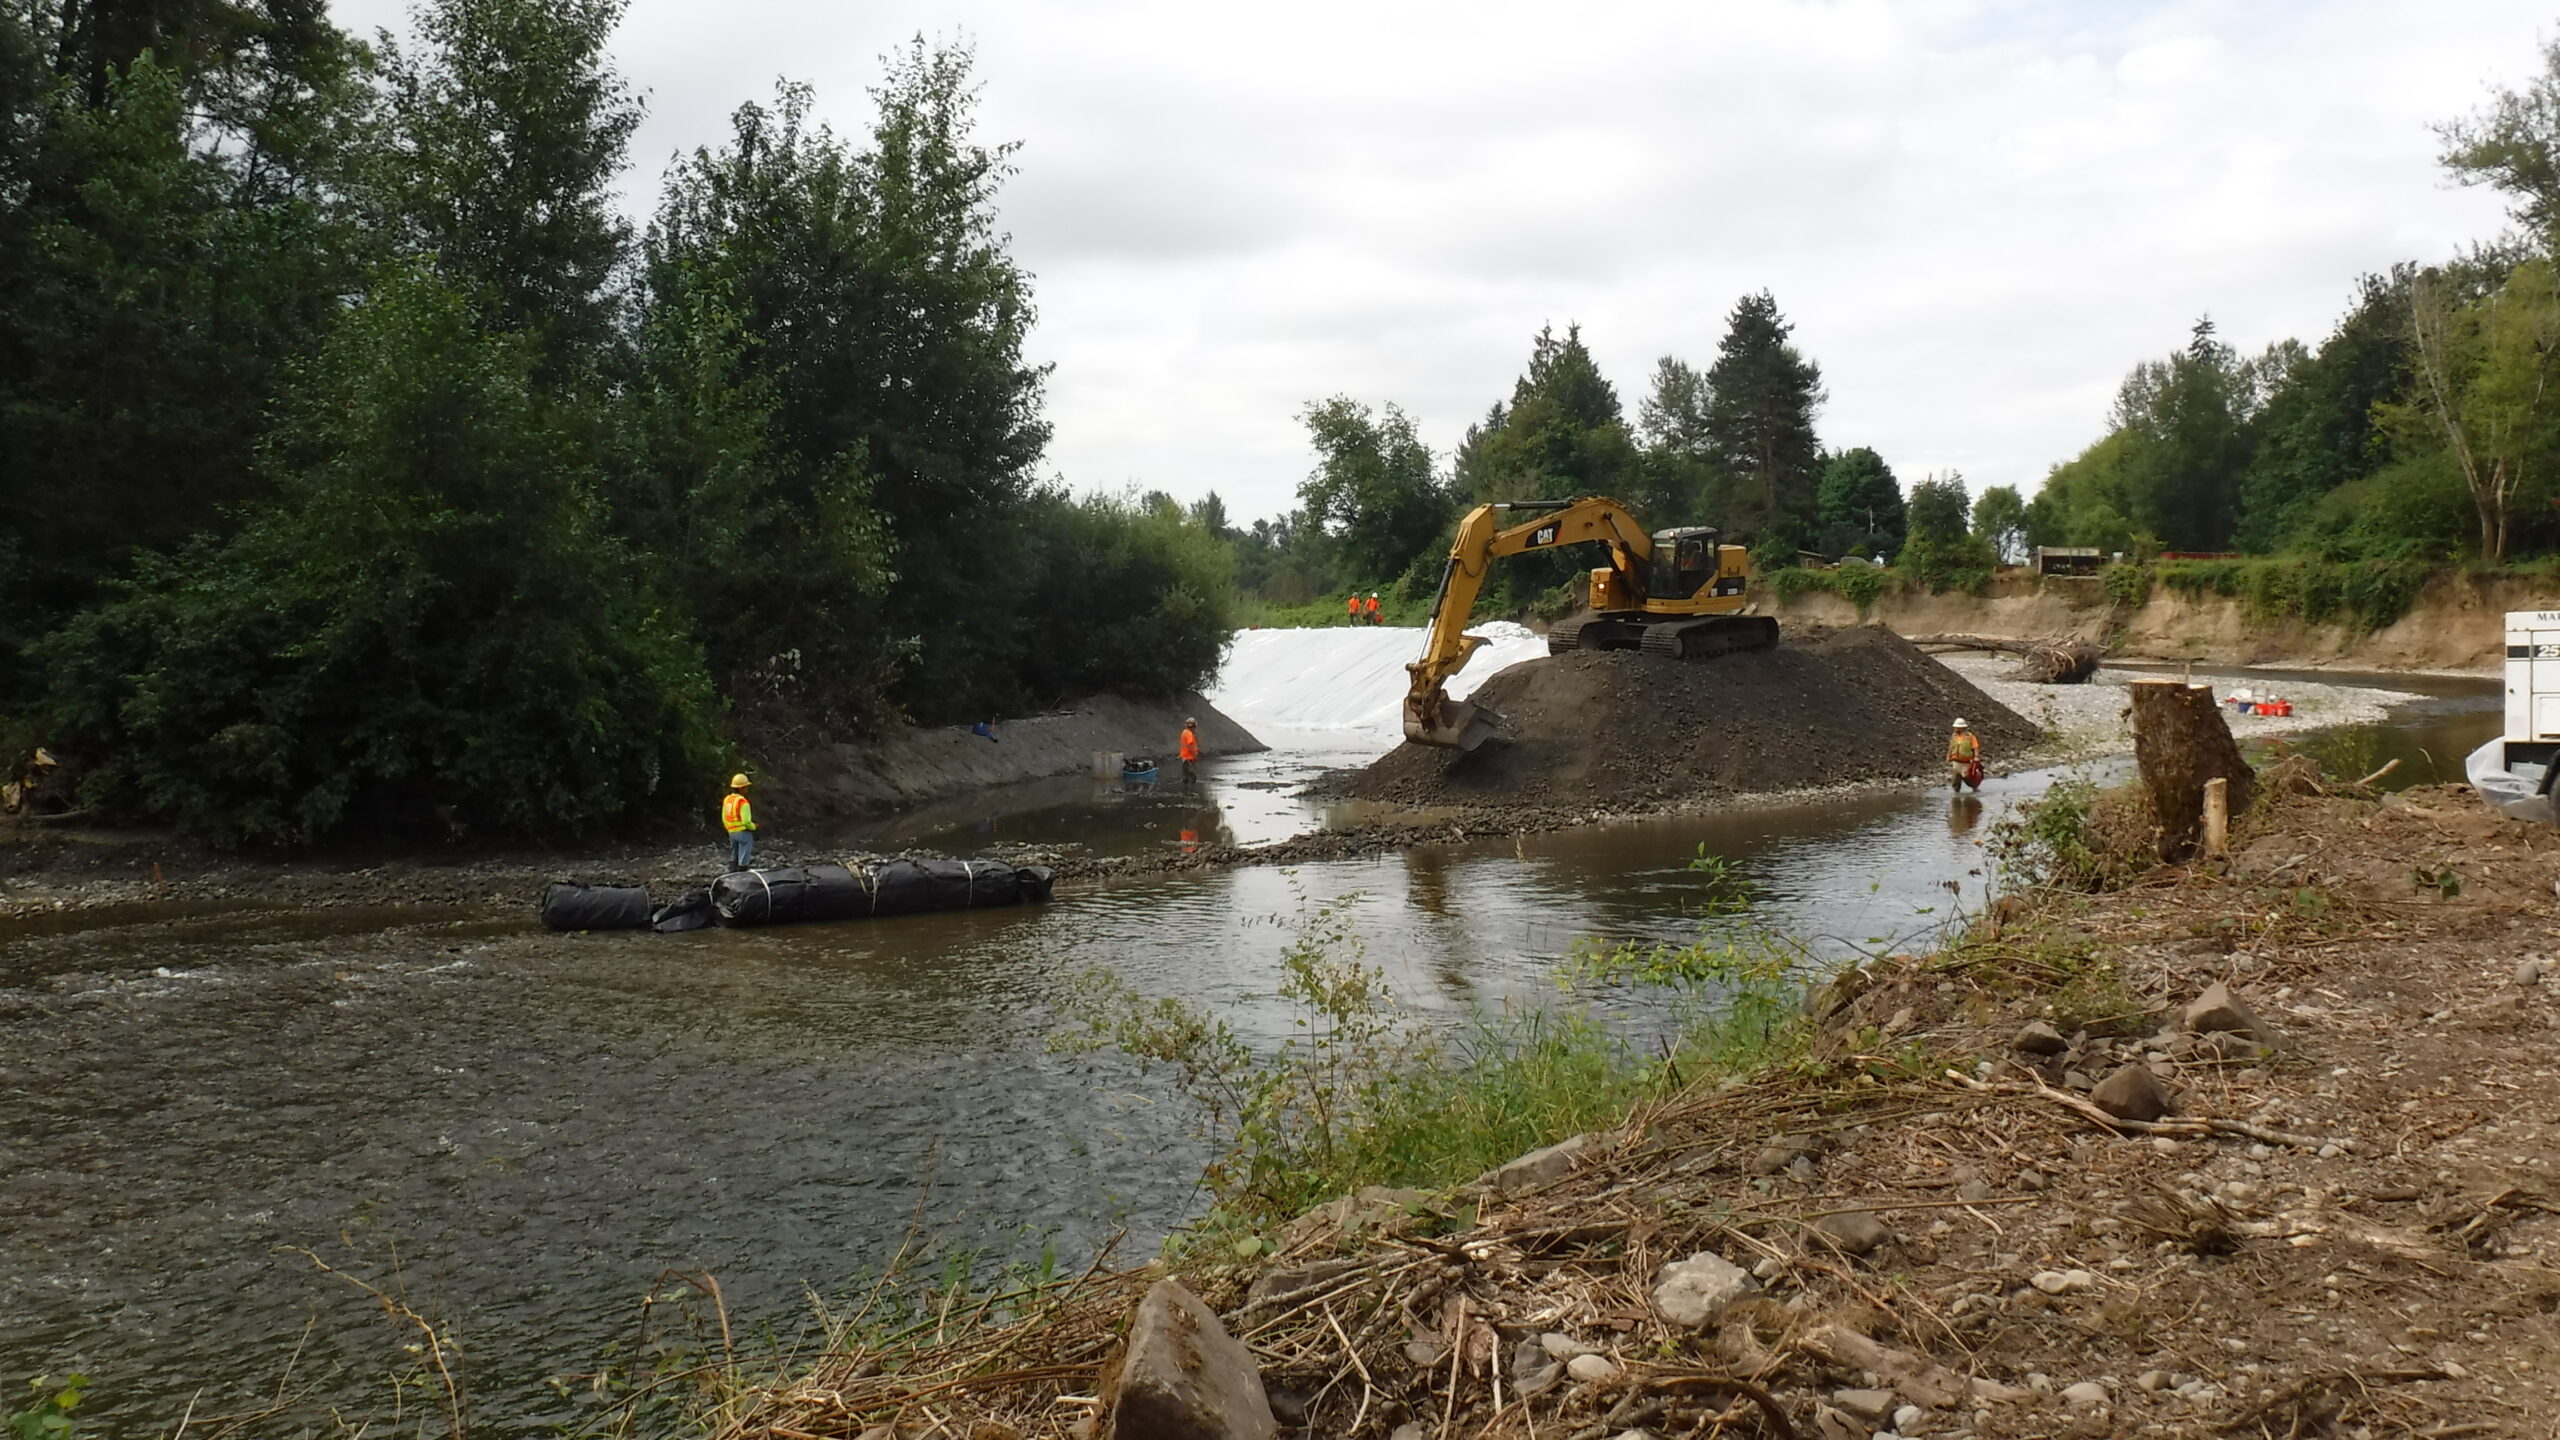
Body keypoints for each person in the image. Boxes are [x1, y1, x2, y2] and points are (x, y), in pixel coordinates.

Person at [721, 773, 757, 869]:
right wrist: (754, 827)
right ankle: (742, 873)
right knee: (744, 855)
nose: (747, 789)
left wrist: (729, 828)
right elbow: (746, 821)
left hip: (731, 832)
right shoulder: (742, 801)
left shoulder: (727, 799)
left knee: (734, 855)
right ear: (741, 788)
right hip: (743, 832)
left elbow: (724, 817)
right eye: (746, 787)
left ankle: (732, 873)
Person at [1946, 719, 1983, 793]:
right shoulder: (1954, 736)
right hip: (1956, 762)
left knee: (1968, 778)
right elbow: (1951, 746)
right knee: (1955, 778)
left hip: (1966, 762)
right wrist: (1948, 756)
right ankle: (1956, 792)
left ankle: (1974, 788)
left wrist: (1976, 756)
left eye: (1957, 727)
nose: (1955, 729)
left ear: (1962, 728)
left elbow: (1975, 747)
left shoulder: (1970, 737)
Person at [1178, 715, 1201, 784]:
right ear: (1194, 726)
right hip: (1189, 758)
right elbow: (1190, 745)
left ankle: (1186, 793)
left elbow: (1184, 745)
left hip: (1184, 758)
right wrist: (1194, 756)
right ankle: (1190, 793)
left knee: (1186, 778)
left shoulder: (1184, 732)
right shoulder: (1189, 734)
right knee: (1192, 778)